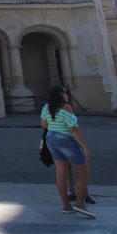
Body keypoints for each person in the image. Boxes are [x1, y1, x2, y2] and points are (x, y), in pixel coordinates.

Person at [40, 86, 95, 218]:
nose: (67, 95)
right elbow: (73, 129)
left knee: (60, 173)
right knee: (83, 171)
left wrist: (55, 123)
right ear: (60, 94)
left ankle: (66, 205)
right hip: (65, 138)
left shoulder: (46, 107)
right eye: (65, 93)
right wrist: (84, 146)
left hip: (51, 138)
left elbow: (44, 124)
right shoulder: (66, 107)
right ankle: (80, 203)